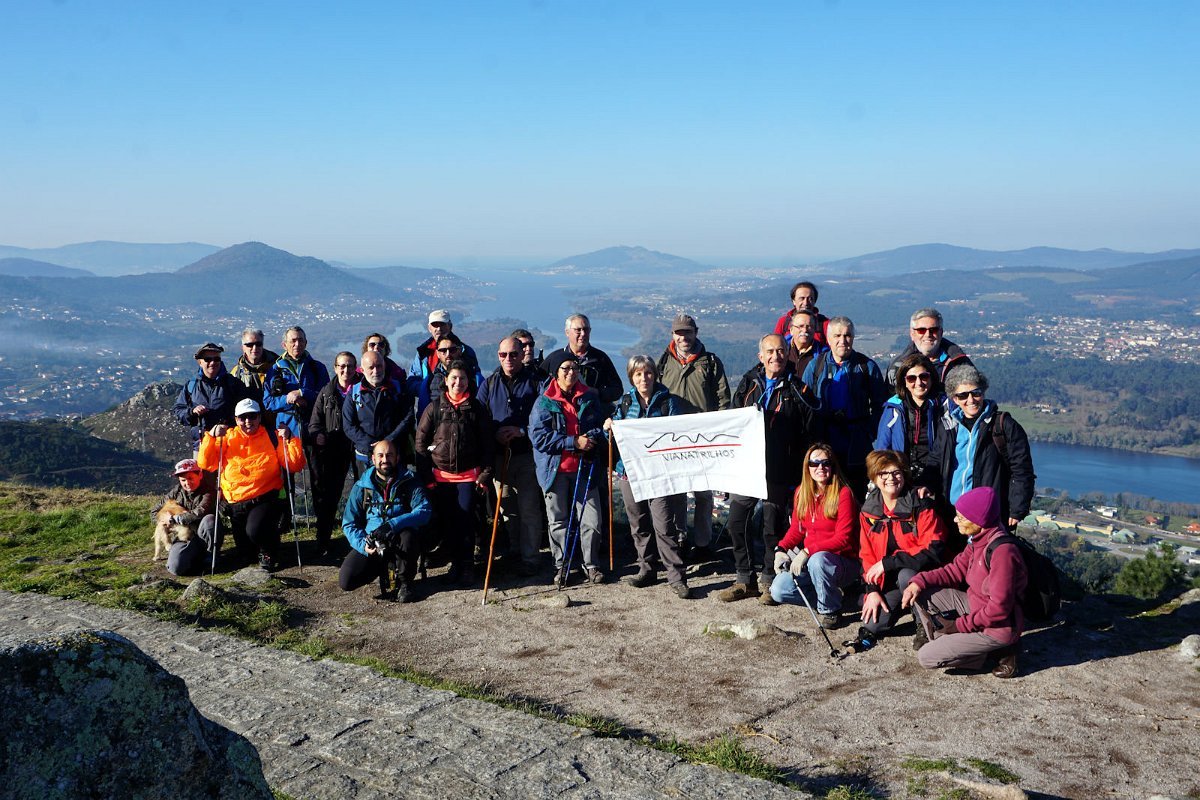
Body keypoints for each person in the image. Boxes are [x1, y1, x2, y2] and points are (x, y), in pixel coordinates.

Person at [718, 334, 822, 604]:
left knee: (771, 526)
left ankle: (768, 579)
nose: (775, 356)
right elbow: (733, 419)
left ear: (787, 354)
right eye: (770, 351)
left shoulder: (798, 389)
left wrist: (800, 472)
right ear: (760, 356)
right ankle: (744, 579)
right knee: (737, 521)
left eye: (780, 351)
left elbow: (810, 432)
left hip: (780, 469)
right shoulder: (749, 383)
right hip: (748, 467)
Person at [901, 486, 1027, 678]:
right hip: (975, 607)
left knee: (926, 657)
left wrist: (959, 626)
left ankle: (984, 654)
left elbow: (999, 608)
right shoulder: (978, 540)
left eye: (960, 517)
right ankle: (965, 647)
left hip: (996, 627)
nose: (954, 520)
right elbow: (954, 570)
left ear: (978, 520)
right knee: (923, 594)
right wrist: (918, 581)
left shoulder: (1002, 552)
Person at [604, 355, 691, 599]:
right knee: (639, 524)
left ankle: (676, 576)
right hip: (629, 473)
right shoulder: (624, 403)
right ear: (632, 377)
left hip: (658, 474)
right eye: (639, 374)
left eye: (648, 373)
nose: (644, 378)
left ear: (655, 375)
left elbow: (676, 434)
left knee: (664, 524)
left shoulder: (667, 403)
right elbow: (612, 438)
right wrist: (608, 427)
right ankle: (647, 569)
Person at [197, 398, 305, 571]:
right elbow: (206, 463)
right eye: (243, 417)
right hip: (236, 504)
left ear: (259, 417)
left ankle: (269, 550)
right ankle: (260, 545)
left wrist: (290, 439)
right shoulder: (226, 438)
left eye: (252, 416)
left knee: (255, 530)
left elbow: (294, 464)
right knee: (245, 553)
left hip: (265, 498)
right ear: (236, 419)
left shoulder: (272, 436)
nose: (248, 421)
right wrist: (210, 437)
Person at [654, 313, 730, 558]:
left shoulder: (710, 362)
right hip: (672, 436)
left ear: (696, 332)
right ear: (672, 334)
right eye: (679, 332)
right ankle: (679, 539)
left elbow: (722, 399)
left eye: (687, 332)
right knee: (676, 491)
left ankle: (703, 543)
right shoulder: (664, 361)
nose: (683, 337)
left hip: (702, 436)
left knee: (703, 493)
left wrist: (720, 430)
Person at [852, 450, 947, 643]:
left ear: (904, 474)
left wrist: (889, 563)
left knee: (906, 575)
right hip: (890, 581)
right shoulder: (869, 512)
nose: (890, 478)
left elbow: (933, 551)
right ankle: (904, 606)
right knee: (872, 625)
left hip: (923, 577)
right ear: (874, 477)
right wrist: (871, 591)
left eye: (896, 472)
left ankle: (924, 623)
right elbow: (867, 555)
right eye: (883, 473)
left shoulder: (920, 505)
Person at [529, 351, 607, 586]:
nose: (571, 373)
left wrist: (591, 439)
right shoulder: (544, 401)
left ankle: (591, 564)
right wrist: (574, 442)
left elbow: (598, 426)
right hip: (555, 470)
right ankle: (562, 565)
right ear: (556, 373)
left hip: (585, 467)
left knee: (591, 520)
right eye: (566, 369)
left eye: (574, 368)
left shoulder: (588, 398)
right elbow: (539, 437)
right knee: (559, 520)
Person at [415, 359, 495, 584]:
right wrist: (427, 477)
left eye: (462, 378)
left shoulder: (477, 409)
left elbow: (488, 445)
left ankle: (466, 566)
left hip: (469, 477)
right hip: (440, 477)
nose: (458, 382)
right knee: (448, 522)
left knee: (466, 523)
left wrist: (484, 475)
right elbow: (420, 444)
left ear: (469, 381)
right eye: (454, 378)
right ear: (446, 381)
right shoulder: (434, 408)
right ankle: (454, 564)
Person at [930, 365, 1036, 531]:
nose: (971, 400)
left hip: (986, 517)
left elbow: (1022, 470)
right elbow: (936, 462)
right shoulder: (948, 426)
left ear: (983, 392)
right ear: (954, 399)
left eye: (976, 393)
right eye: (963, 395)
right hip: (951, 514)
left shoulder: (1003, 426)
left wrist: (1017, 510)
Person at [768, 444, 860, 628]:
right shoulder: (802, 492)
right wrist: (781, 548)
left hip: (841, 562)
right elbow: (797, 529)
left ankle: (830, 610)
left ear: (833, 466)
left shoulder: (843, 493)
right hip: (811, 561)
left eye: (826, 463)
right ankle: (825, 595)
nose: (820, 468)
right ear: (807, 467)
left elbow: (844, 538)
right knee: (778, 591)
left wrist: (807, 551)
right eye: (814, 463)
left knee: (818, 561)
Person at [477, 336, 545, 576]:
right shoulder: (489, 383)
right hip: (499, 456)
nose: (508, 359)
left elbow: (544, 418)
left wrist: (521, 431)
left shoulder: (536, 383)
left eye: (513, 354)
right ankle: (515, 551)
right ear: (498, 356)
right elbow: (479, 417)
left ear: (522, 354)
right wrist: (495, 434)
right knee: (507, 509)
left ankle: (531, 557)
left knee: (528, 508)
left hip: (526, 455)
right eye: (503, 355)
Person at [802, 316, 889, 499]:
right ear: (828, 338)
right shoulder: (815, 367)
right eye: (837, 335)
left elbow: (880, 405)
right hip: (825, 440)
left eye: (847, 335)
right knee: (827, 493)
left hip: (857, 443)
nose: (843, 341)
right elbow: (804, 405)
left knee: (855, 493)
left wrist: (869, 433)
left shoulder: (867, 367)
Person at [339, 439, 432, 603]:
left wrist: (393, 525)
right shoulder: (362, 486)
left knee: (408, 535)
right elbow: (349, 522)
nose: (385, 460)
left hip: (400, 538)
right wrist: (363, 545)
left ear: (397, 458)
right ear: (373, 459)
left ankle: (405, 584)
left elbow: (424, 511)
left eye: (389, 455)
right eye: (380, 455)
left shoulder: (410, 481)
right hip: (374, 542)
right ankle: (381, 567)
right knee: (346, 581)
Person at [308, 351, 360, 557]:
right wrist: (317, 435)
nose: (345, 370)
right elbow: (314, 423)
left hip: (358, 449)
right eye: (342, 366)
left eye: (349, 366)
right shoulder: (326, 392)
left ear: (356, 368)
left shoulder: (363, 390)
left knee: (362, 494)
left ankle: (360, 539)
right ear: (335, 368)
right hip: (333, 450)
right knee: (328, 496)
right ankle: (323, 541)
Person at [873, 353, 943, 488]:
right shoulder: (893, 408)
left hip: (937, 476)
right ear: (904, 381)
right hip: (901, 478)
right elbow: (883, 447)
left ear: (931, 378)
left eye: (924, 376)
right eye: (912, 378)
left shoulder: (943, 406)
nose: (918, 383)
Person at [342, 349, 416, 465]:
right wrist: (370, 444)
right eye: (371, 367)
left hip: (393, 455)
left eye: (379, 366)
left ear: (384, 366)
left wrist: (388, 441)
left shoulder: (398, 389)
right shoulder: (354, 393)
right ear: (362, 370)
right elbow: (348, 426)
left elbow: (408, 417)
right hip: (365, 456)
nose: (376, 371)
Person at [173, 342, 245, 455]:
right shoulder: (191, 385)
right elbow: (178, 411)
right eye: (207, 359)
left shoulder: (233, 384)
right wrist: (192, 412)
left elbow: (246, 412)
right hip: (201, 445)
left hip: (229, 445)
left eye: (216, 359)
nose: (213, 363)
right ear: (200, 362)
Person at [407, 310, 483, 415]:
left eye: (442, 324)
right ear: (429, 328)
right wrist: (429, 388)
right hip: (432, 411)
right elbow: (411, 382)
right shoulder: (423, 353)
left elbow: (477, 380)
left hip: (462, 411)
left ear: (450, 326)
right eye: (435, 325)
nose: (438, 329)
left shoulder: (467, 352)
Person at [152, 458, 218, 576]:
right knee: (175, 568)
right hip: (185, 535)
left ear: (200, 475)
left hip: (203, 534)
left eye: (191, 478)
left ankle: (210, 554)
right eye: (183, 480)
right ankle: (192, 556)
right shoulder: (176, 492)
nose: (187, 483)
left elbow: (200, 512)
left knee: (210, 520)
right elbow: (154, 512)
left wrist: (174, 519)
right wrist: (164, 520)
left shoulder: (209, 492)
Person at [263, 326, 329, 443]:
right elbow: (268, 402)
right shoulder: (275, 370)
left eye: (300, 340)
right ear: (284, 345)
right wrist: (288, 399)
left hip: (313, 429)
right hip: (286, 431)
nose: (297, 344)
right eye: (293, 341)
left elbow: (326, 397)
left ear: (306, 343)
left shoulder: (317, 368)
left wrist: (302, 393)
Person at [543, 314, 623, 410]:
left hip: (593, 416)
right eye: (578, 330)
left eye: (586, 329)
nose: (583, 334)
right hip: (561, 415)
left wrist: (596, 392)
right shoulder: (554, 359)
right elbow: (540, 387)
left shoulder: (600, 359)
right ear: (567, 332)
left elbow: (617, 390)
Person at [886, 307, 973, 388]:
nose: (928, 335)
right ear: (912, 334)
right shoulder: (897, 366)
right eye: (921, 330)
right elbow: (890, 400)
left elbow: (973, 394)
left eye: (933, 330)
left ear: (941, 332)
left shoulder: (959, 363)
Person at [771, 280, 829, 345]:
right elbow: (775, 345)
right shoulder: (784, 322)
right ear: (794, 301)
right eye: (802, 298)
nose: (806, 303)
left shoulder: (825, 323)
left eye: (810, 299)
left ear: (814, 301)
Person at [785, 309, 827, 378]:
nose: (805, 330)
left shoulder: (823, 355)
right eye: (800, 326)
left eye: (809, 326)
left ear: (814, 330)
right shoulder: (781, 350)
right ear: (791, 330)